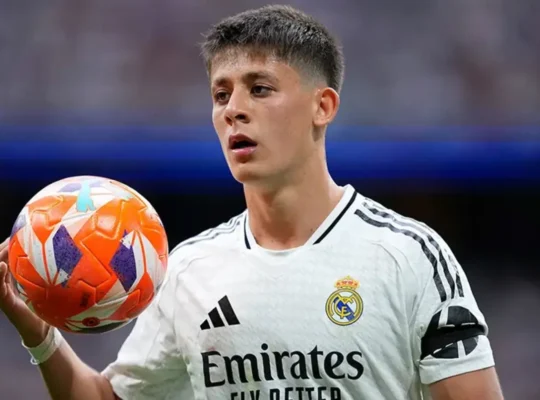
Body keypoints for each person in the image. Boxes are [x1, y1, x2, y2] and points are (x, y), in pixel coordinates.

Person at [0, 5, 504, 400]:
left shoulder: (409, 255)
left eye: (259, 89)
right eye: (221, 95)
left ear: (322, 106)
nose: (234, 110)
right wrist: (39, 332)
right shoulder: (189, 270)